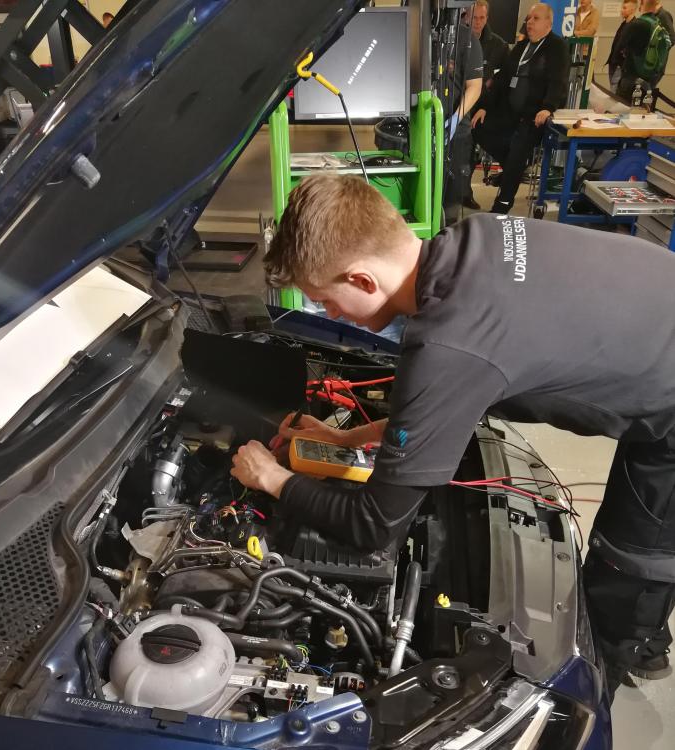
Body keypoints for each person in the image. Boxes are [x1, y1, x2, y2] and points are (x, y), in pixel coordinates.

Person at [231, 173, 675, 696]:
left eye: (324, 300)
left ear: (362, 280)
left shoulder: (450, 341)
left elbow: (374, 526)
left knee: (625, 571)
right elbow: (445, 395)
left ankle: (616, 663)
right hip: (658, 335)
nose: (329, 314)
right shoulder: (475, 238)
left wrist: (272, 478)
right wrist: (349, 440)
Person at [471, 3, 569, 214]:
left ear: (548, 23)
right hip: (508, 112)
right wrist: (485, 107)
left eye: (535, 18)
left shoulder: (557, 47)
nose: (529, 22)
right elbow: (503, 78)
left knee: (517, 150)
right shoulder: (521, 46)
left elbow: (558, 81)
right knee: (478, 128)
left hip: (533, 116)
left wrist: (548, 107)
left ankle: (502, 204)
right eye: (529, 18)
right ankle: (514, 168)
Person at [464, 1, 509, 210]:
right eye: (475, 18)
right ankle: (460, 192)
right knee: (462, 152)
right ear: (466, 16)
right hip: (460, 104)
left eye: (482, 18)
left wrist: (486, 107)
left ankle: (467, 192)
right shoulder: (456, 40)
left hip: (483, 108)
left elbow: (503, 80)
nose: (478, 22)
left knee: (475, 151)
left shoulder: (498, 46)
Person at [442, 23, 484, 221]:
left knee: (450, 198)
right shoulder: (416, 29)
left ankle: (448, 232)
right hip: (417, 129)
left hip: (455, 131)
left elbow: (475, 86)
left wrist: (456, 118)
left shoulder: (467, 39)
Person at [618, 0, 672, 100]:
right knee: (643, 105)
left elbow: (620, 46)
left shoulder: (636, 24)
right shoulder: (658, 24)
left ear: (641, 5)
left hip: (631, 75)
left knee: (623, 105)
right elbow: (669, 42)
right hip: (650, 74)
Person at [606, 0, 638, 92]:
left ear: (632, 10)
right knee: (613, 88)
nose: (621, 10)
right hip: (613, 63)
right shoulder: (623, 24)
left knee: (615, 91)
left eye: (624, 8)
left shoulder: (634, 26)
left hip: (621, 65)